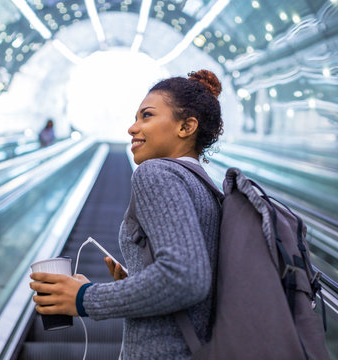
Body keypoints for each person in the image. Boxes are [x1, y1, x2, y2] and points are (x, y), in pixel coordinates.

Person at [30, 70, 224, 358]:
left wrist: (84, 298)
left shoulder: (156, 172)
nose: (132, 128)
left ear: (186, 127)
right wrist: (136, 284)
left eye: (146, 116)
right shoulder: (206, 186)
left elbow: (186, 278)